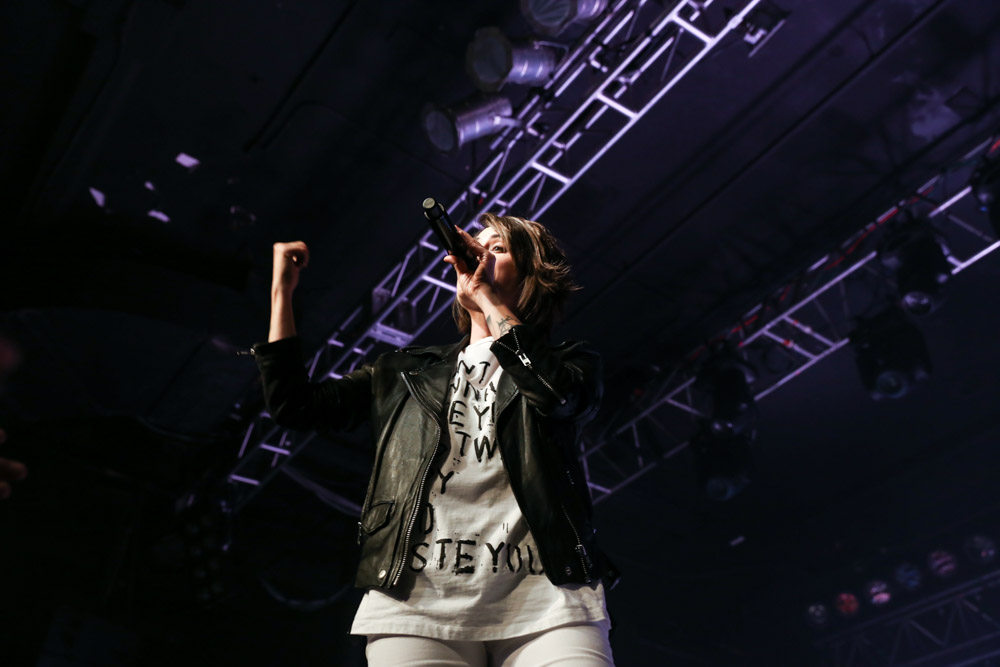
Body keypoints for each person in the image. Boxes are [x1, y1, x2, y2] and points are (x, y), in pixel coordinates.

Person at [251, 213, 619, 666]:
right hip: (417, 603)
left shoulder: (570, 362)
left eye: (498, 248)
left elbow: (556, 393)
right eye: (477, 246)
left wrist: (487, 298)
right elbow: (296, 406)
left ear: (533, 277)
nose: (481, 255)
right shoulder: (404, 371)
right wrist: (282, 291)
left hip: (549, 601)